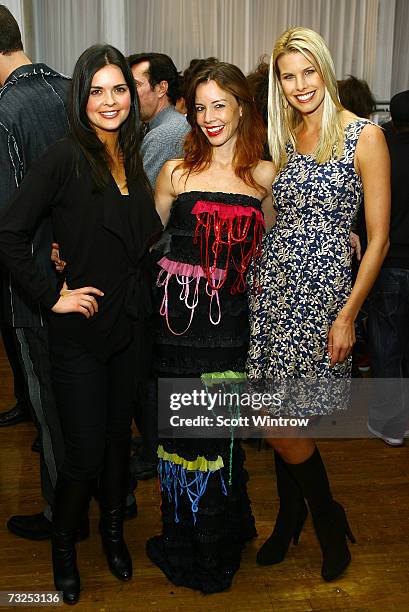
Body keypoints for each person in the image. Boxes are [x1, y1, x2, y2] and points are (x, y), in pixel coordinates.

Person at [0, 44, 162, 605]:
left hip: (131, 327)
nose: (110, 100)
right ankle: (64, 548)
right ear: (81, 97)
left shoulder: (134, 155)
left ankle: (114, 535)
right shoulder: (65, 157)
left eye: (120, 89)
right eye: (98, 90)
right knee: (84, 453)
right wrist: (51, 295)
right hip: (80, 333)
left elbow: (133, 238)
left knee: (120, 443)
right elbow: (10, 233)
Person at [247, 27, 390, 581]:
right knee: (282, 417)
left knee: (284, 421)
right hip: (275, 290)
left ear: (325, 71)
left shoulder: (364, 136)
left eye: (308, 71)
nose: (300, 84)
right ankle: (291, 516)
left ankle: (325, 519)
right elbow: (277, 213)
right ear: (279, 85)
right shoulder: (285, 136)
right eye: (289, 75)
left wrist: (348, 314)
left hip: (324, 297)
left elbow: (376, 238)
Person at [146, 60, 275, 593]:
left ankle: (218, 537)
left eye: (219, 105)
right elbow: (145, 244)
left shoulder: (264, 176)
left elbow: (278, 252)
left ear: (242, 106)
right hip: (177, 335)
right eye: (199, 107)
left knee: (216, 440)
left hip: (231, 333)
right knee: (183, 439)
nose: (209, 117)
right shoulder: (175, 172)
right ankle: (185, 539)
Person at [0, 2, 71, 541]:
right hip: (88, 279)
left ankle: (60, 515)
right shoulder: (75, 87)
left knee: (51, 410)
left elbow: (8, 223)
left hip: (36, 292)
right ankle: (108, 497)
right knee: (87, 402)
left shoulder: (5, 109)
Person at [367, 89, 409, 445]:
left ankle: (391, 424)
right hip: (394, 260)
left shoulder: (383, 152)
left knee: (387, 345)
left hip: (390, 262)